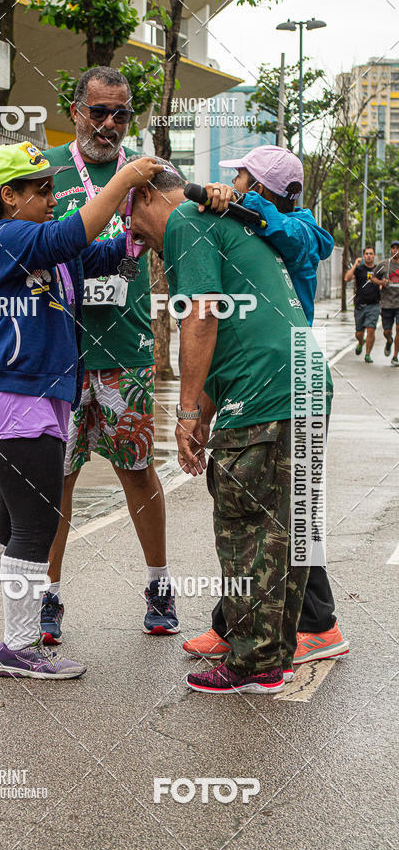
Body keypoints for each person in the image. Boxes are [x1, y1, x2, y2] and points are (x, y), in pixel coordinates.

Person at [0, 140, 162, 679]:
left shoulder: (42, 246)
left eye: (53, 189)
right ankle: (20, 647)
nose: (53, 199)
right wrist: (123, 179)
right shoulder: (4, 237)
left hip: (29, 399)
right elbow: (70, 235)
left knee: (10, 519)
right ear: (8, 196)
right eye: (41, 190)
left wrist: (136, 233)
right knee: (38, 524)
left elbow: (95, 252)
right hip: (17, 399)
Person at [122, 158, 333, 694]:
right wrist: (203, 417)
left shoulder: (186, 222)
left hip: (266, 392)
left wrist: (186, 413)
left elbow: (201, 317)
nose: (133, 236)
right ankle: (273, 658)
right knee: (283, 530)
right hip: (304, 384)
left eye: (131, 219)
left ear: (148, 196)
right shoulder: (225, 221)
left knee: (244, 528)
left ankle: (252, 663)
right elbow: (230, 337)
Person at [181, 145, 349, 666]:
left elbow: (301, 235)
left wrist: (244, 205)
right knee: (277, 514)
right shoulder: (258, 224)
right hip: (274, 375)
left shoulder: (296, 229)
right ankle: (232, 623)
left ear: (260, 189)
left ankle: (318, 624)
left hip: (289, 378)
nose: (232, 183)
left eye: (241, 178)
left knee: (285, 514)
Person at [40, 67, 177, 641]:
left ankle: (160, 586)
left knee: (138, 472)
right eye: (98, 111)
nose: (109, 124)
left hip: (127, 351)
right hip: (60, 356)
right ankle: (47, 596)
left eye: (121, 113)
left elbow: (182, 233)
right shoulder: (46, 170)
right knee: (56, 481)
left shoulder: (150, 173)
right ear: (76, 111)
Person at [345, 246, 382, 363]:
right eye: (367, 254)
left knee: (371, 329)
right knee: (359, 333)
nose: (369, 256)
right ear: (363, 256)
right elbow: (347, 278)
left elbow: (383, 283)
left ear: (374, 256)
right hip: (360, 305)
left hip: (374, 305)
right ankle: (361, 342)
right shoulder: (359, 269)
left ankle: (367, 354)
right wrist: (355, 264)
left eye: (371, 254)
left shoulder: (378, 269)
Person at [375, 239, 399, 366]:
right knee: (387, 331)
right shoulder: (384, 264)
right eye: (393, 248)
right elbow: (371, 276)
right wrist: (381, 282)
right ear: (390, 250)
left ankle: (395, 356)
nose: (395, 250)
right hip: (386, 304)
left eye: (397, 248)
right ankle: (389, 341)